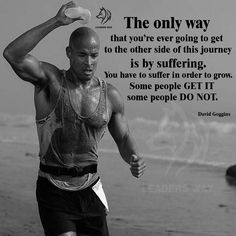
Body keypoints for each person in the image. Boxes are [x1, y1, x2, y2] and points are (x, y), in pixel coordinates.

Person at [3, 1, 146, 236]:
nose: (88, 62)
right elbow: (12, 54)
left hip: (90, 188)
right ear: (69, 53)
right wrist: (56, 22)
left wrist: (134, 156)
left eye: (93, 55)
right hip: (53, 187)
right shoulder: (50, 82)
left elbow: (124, 137)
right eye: (81, 55)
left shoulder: (110, 95)